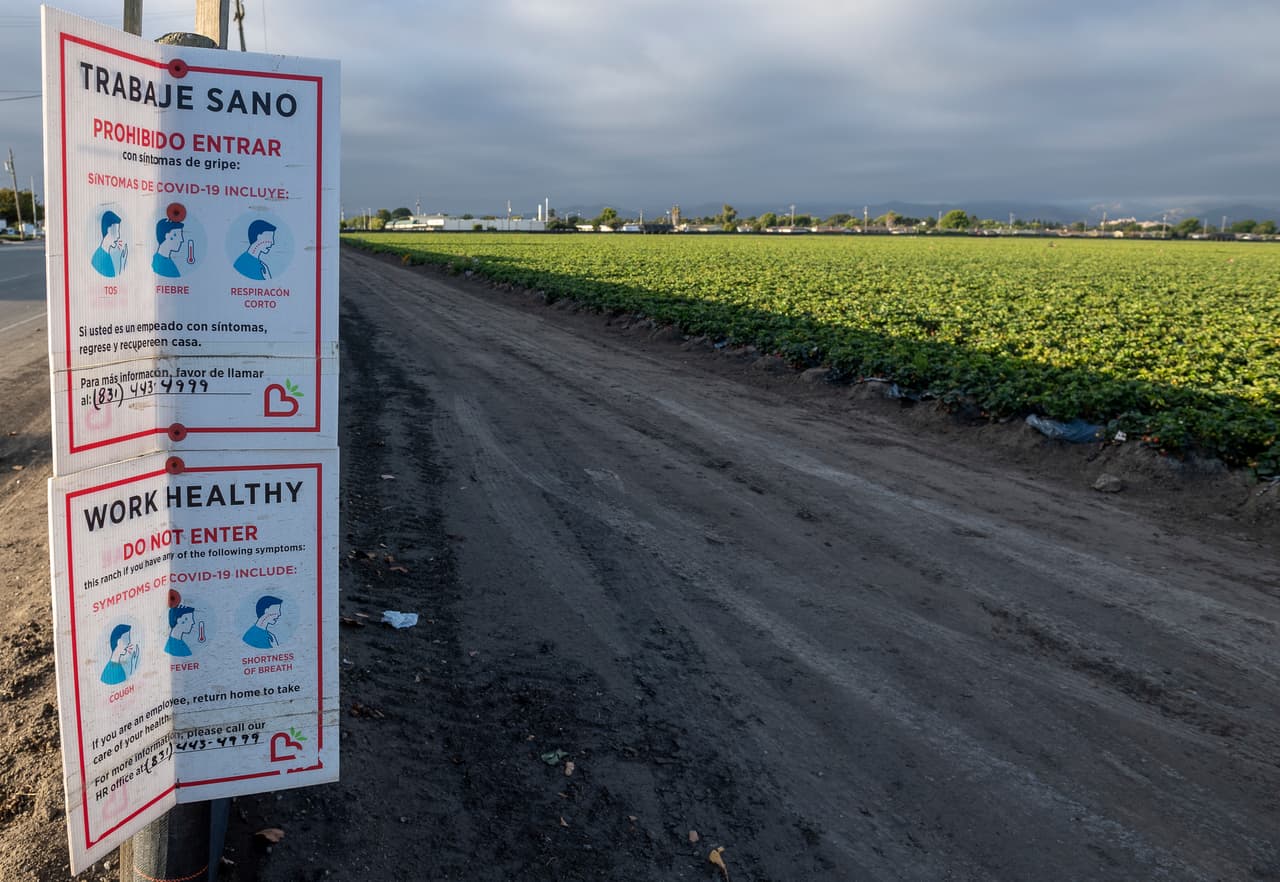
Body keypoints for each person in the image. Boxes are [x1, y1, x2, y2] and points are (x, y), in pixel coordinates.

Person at [91, 211, 127, 277]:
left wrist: (122, 262)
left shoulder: (105, 255)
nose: (118, 236)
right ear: (108, 230)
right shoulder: (98, 259)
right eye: (116, 231)